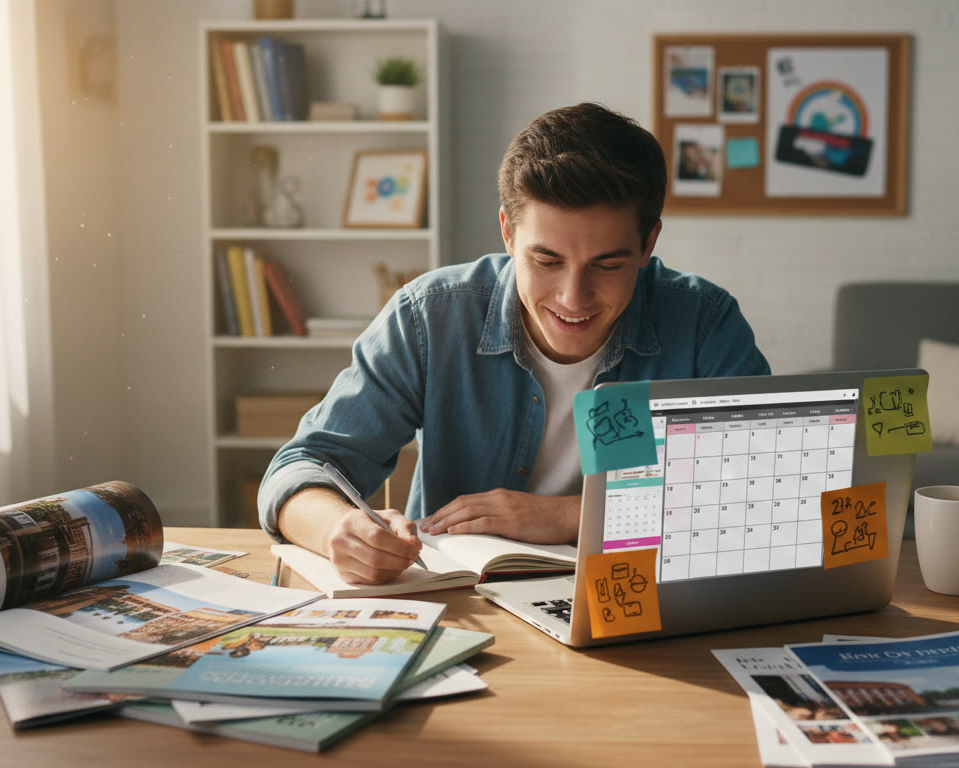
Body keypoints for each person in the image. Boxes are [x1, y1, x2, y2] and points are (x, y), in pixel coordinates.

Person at [259, 102, 770, 584]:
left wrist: (569, 515)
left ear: (648, 244)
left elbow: (769, 486)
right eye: (546, 261)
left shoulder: (704, 323)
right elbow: (299, 469)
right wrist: (336, 530)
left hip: (635, 601)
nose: (574, 297)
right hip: (465, 604)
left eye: (608, 265)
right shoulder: (431, 316)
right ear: (507, 233)